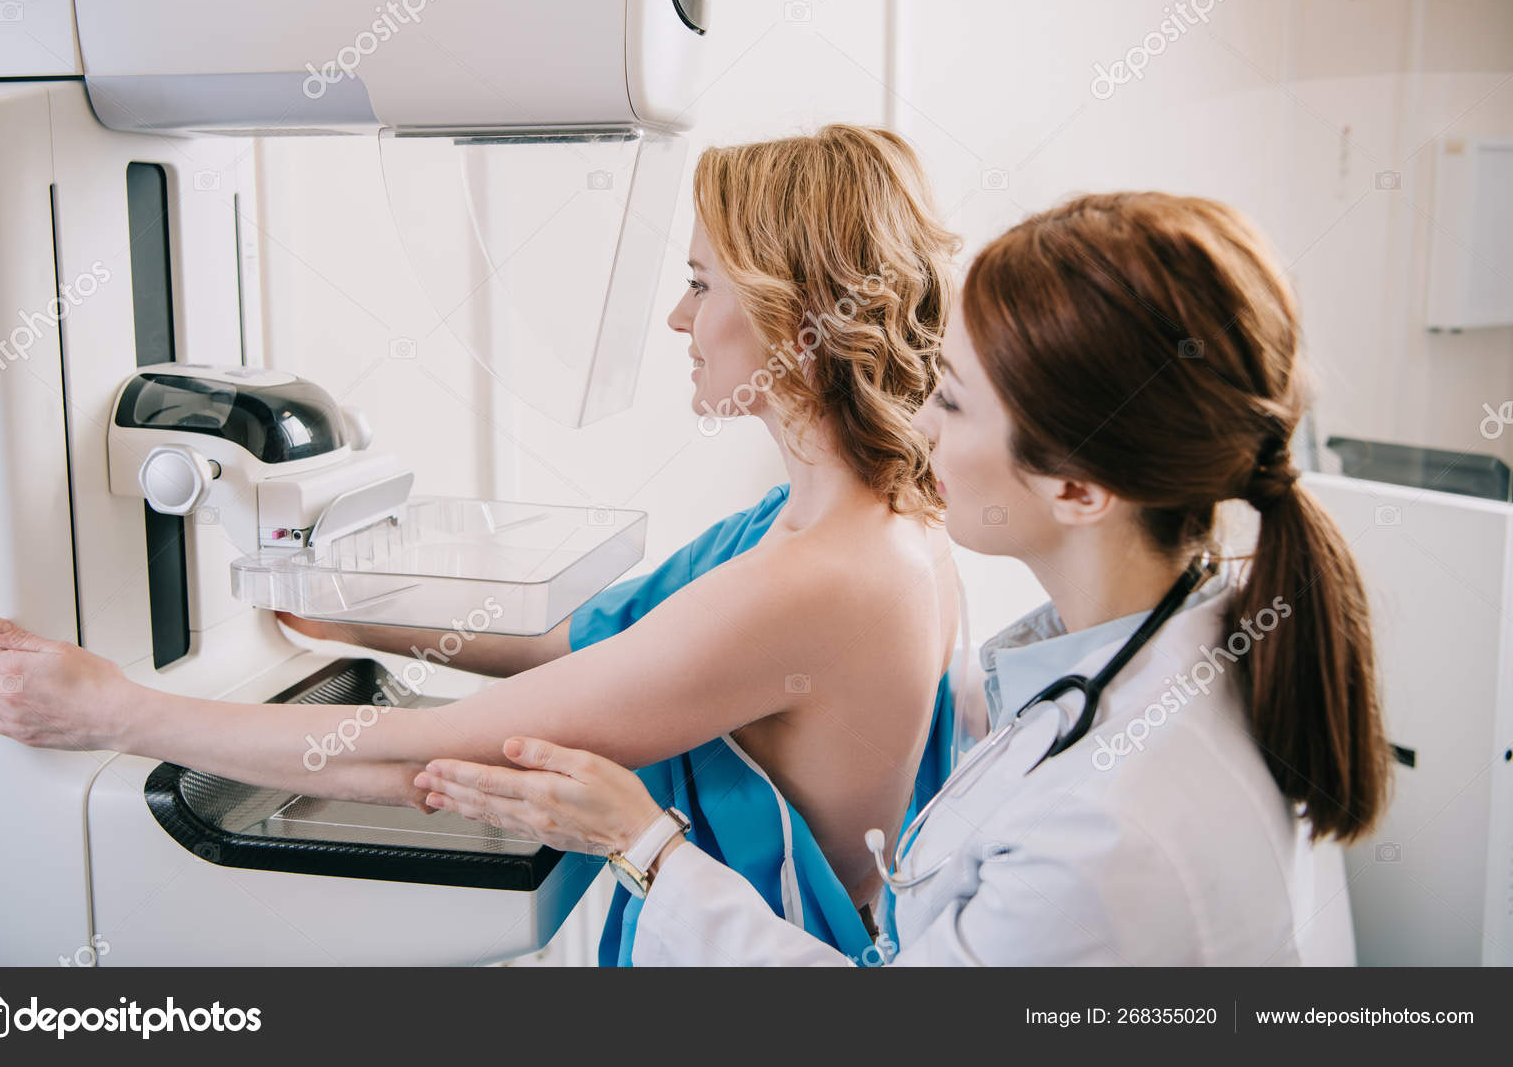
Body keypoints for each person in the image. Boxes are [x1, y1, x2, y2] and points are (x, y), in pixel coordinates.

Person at [0, 124, 964, 966]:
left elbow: (424, 750)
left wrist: (113, 709)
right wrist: (342, 611)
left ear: (793, 308)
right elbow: (590, 641)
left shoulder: (821, 578)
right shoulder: (844, 519)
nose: (676, 317)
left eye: (701, 284)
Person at [411, 191, 1392, 966]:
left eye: (953, 403)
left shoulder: (1107, 828)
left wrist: (646, 846)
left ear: (1078, 488)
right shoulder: (1176, 640)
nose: (918, 425)